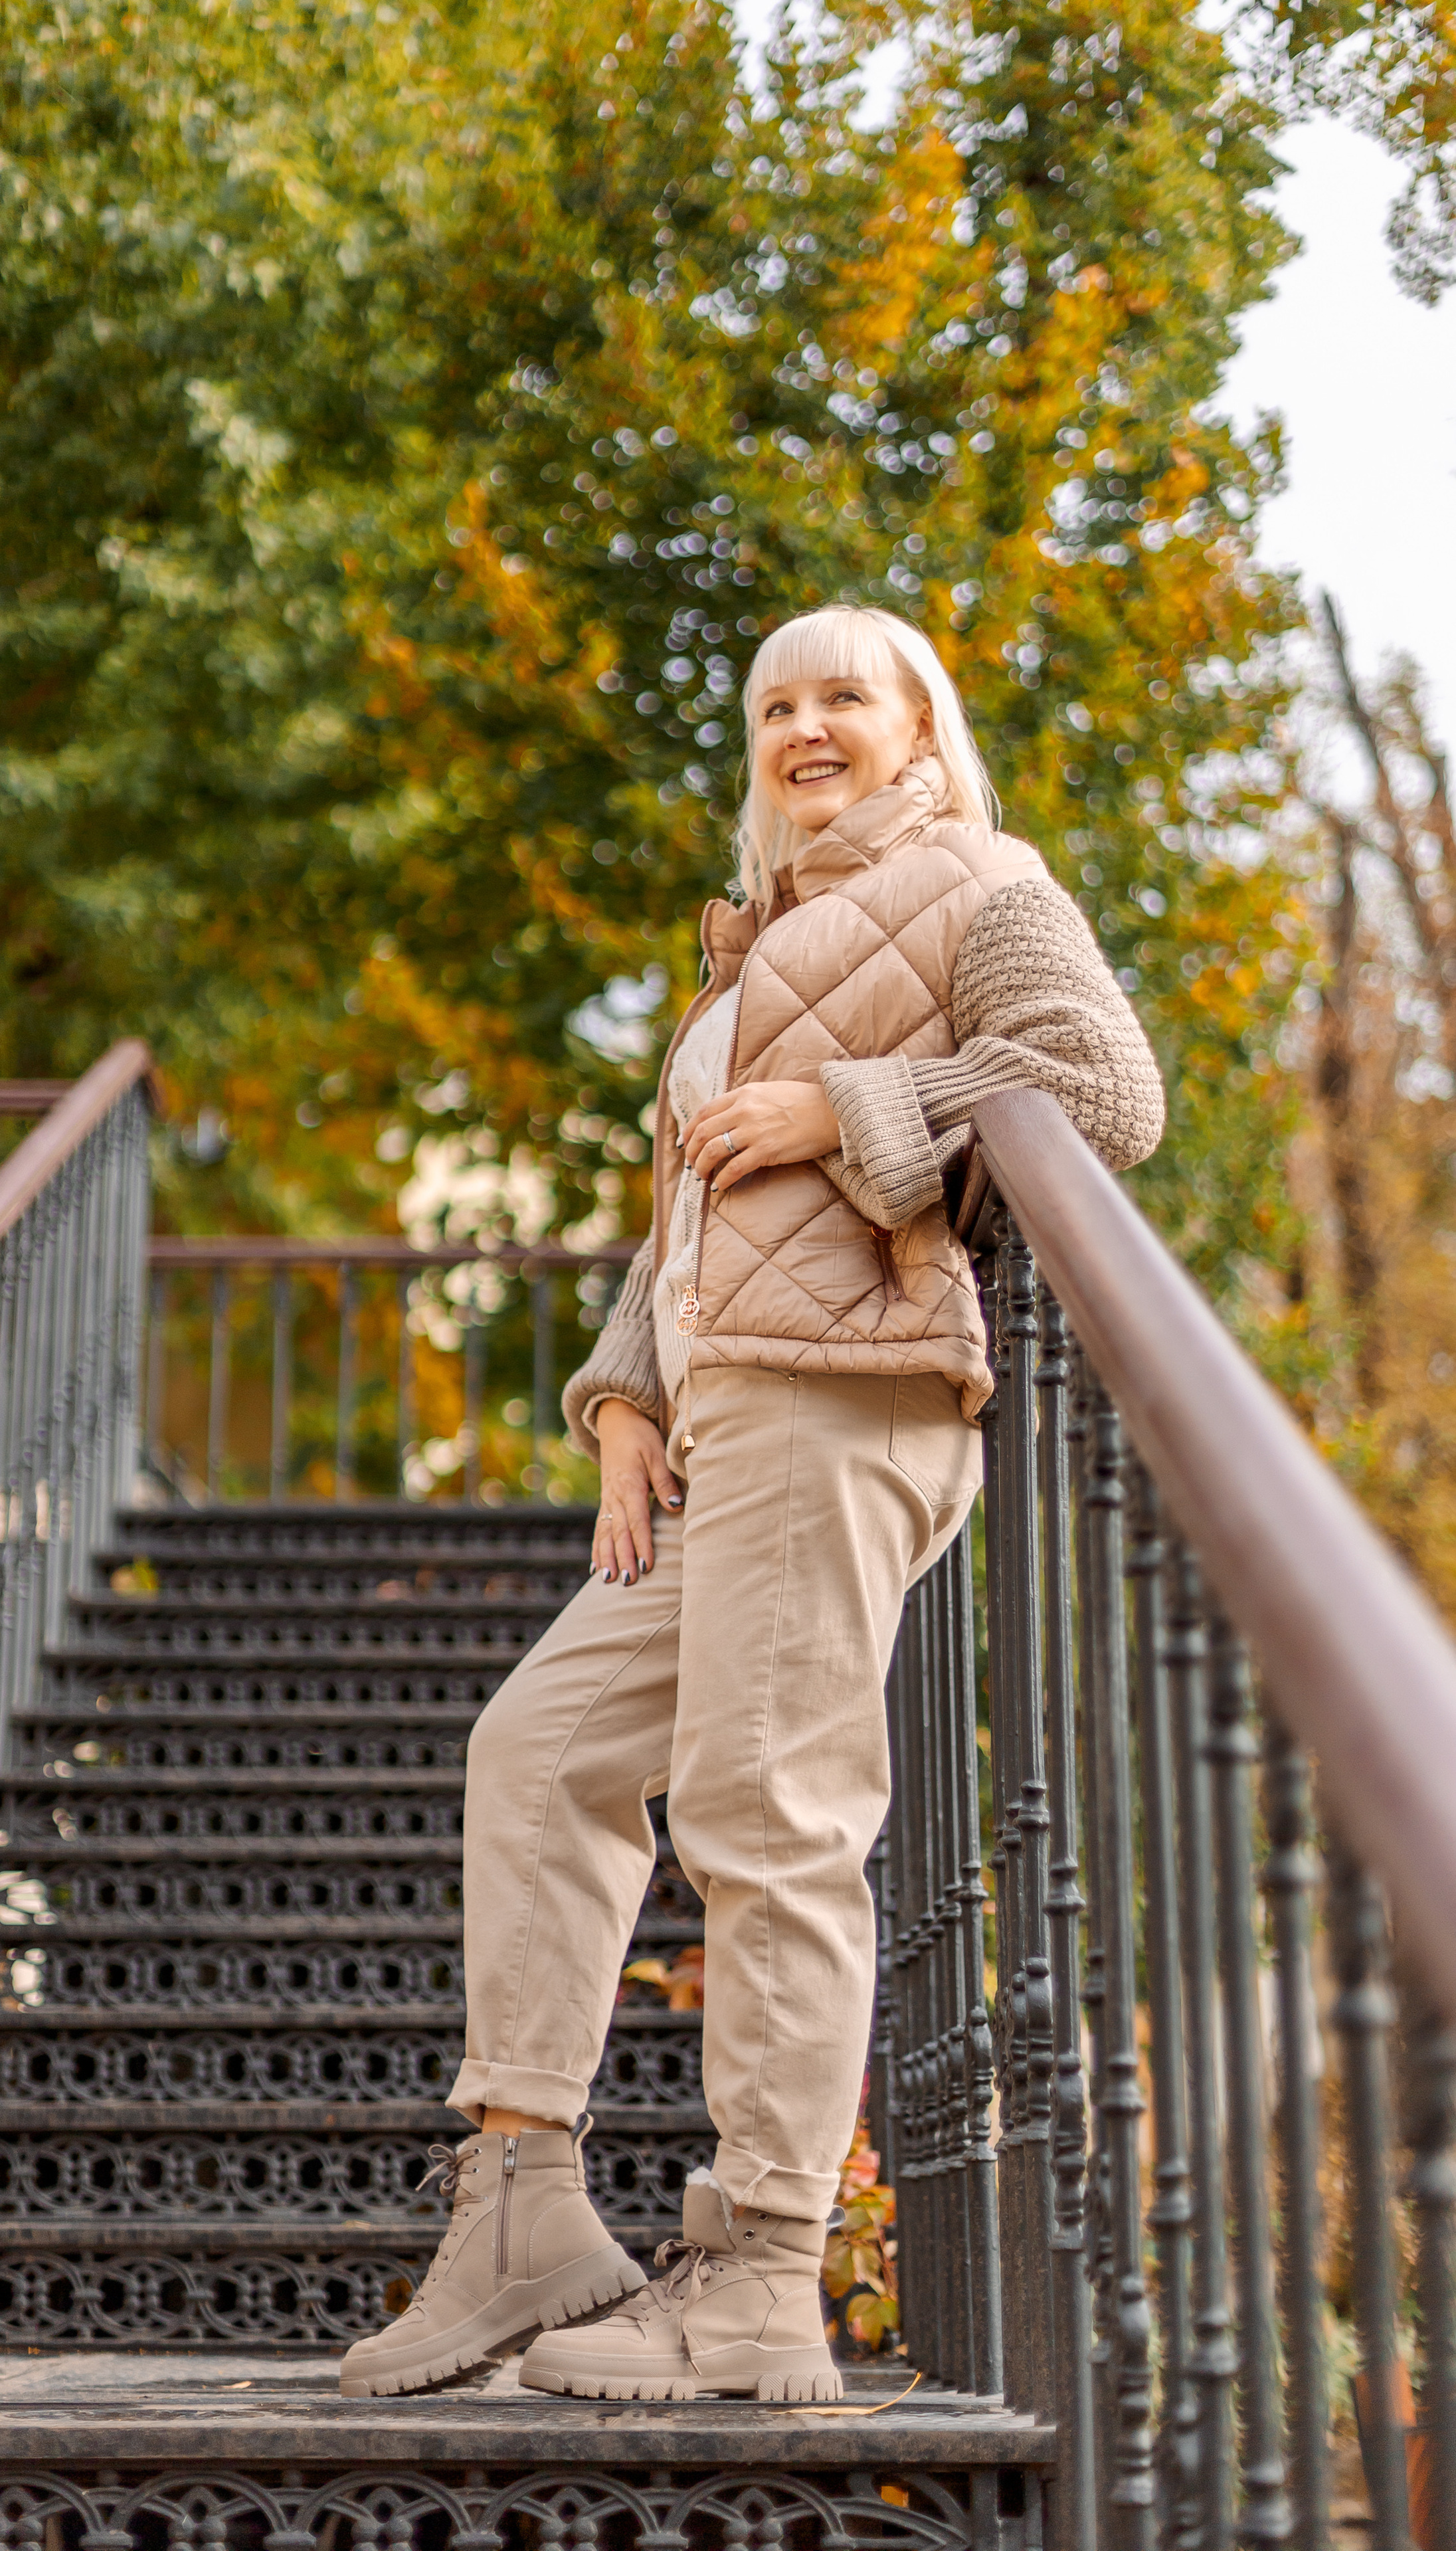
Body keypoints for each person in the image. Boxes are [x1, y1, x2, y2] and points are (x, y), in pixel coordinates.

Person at [339, 602, 1164, 2402]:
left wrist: (850, 1109)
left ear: (919, 726)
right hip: (720, 1431)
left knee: (765, 1810)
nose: (805, 726)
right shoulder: (754, 940)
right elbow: (686, 1213)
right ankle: (524, 2209)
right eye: (775, 702)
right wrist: (622, 1394)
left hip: (851, 1400)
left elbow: (1109, 1093)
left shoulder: (984, 884)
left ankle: (763, 2280)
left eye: (842, 697)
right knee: (538, 1750)